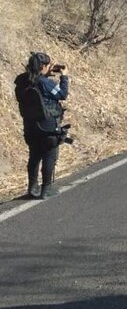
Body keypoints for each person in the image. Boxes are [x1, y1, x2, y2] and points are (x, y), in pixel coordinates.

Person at [13, 52, 70, 199]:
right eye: (48, 65)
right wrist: (64, 77)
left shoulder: (22, 81)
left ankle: (32, 187)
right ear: (43, 66)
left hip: (30, 126)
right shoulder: (45, 83)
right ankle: (46, 190)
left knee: (34, 156)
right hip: (48, 126)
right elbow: (62, 94)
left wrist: (45, 74)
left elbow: (34, 82)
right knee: (49, 155)